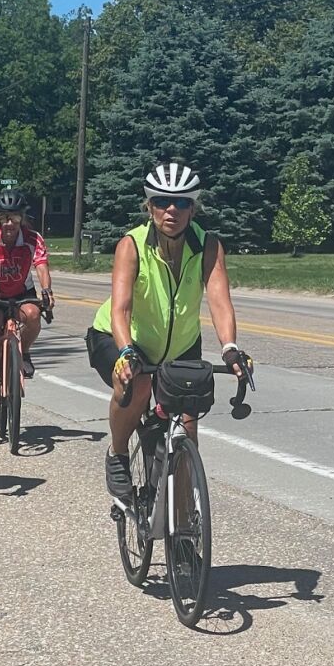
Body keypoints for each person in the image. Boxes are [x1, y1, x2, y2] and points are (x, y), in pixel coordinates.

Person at [88, 161, 250, 500]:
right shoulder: (131, 245)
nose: (171, 209)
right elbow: (122, 308)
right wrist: (126, 351)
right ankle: (117, 454)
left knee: (186, 434)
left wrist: (230, 347)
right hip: (119, 337)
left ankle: (185, 537)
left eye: (181, 202)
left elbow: (220, 302)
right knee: (138, 383)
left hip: (180, 347)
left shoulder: (208, 246)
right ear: (149, 206)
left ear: (193, 207)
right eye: (162, 201)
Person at [0, 189, 54, 428]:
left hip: (20, 293)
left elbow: (41, 266)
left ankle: (24, 352)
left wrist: (47, 291)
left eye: (14, 218)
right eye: (4, 218)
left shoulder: (32, 239)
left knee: (34, 314)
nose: (9, 224)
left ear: (21, 219)